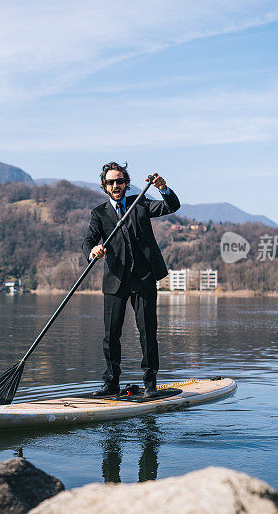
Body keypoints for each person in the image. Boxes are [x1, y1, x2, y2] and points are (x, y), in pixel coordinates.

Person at [82, 162, 180, 398]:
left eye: (120, 181)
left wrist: (163, 188)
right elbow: (88, 241)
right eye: (110, 182)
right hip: (115, 280)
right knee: (111, 334)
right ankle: (111, 382)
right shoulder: (99, 213)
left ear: (126, 183)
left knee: (147, 332)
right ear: (104, 187)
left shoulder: (141, 202)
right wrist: (93, 250)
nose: (116, 185)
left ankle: (150, 384)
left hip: (144, 278)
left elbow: (171, 206)